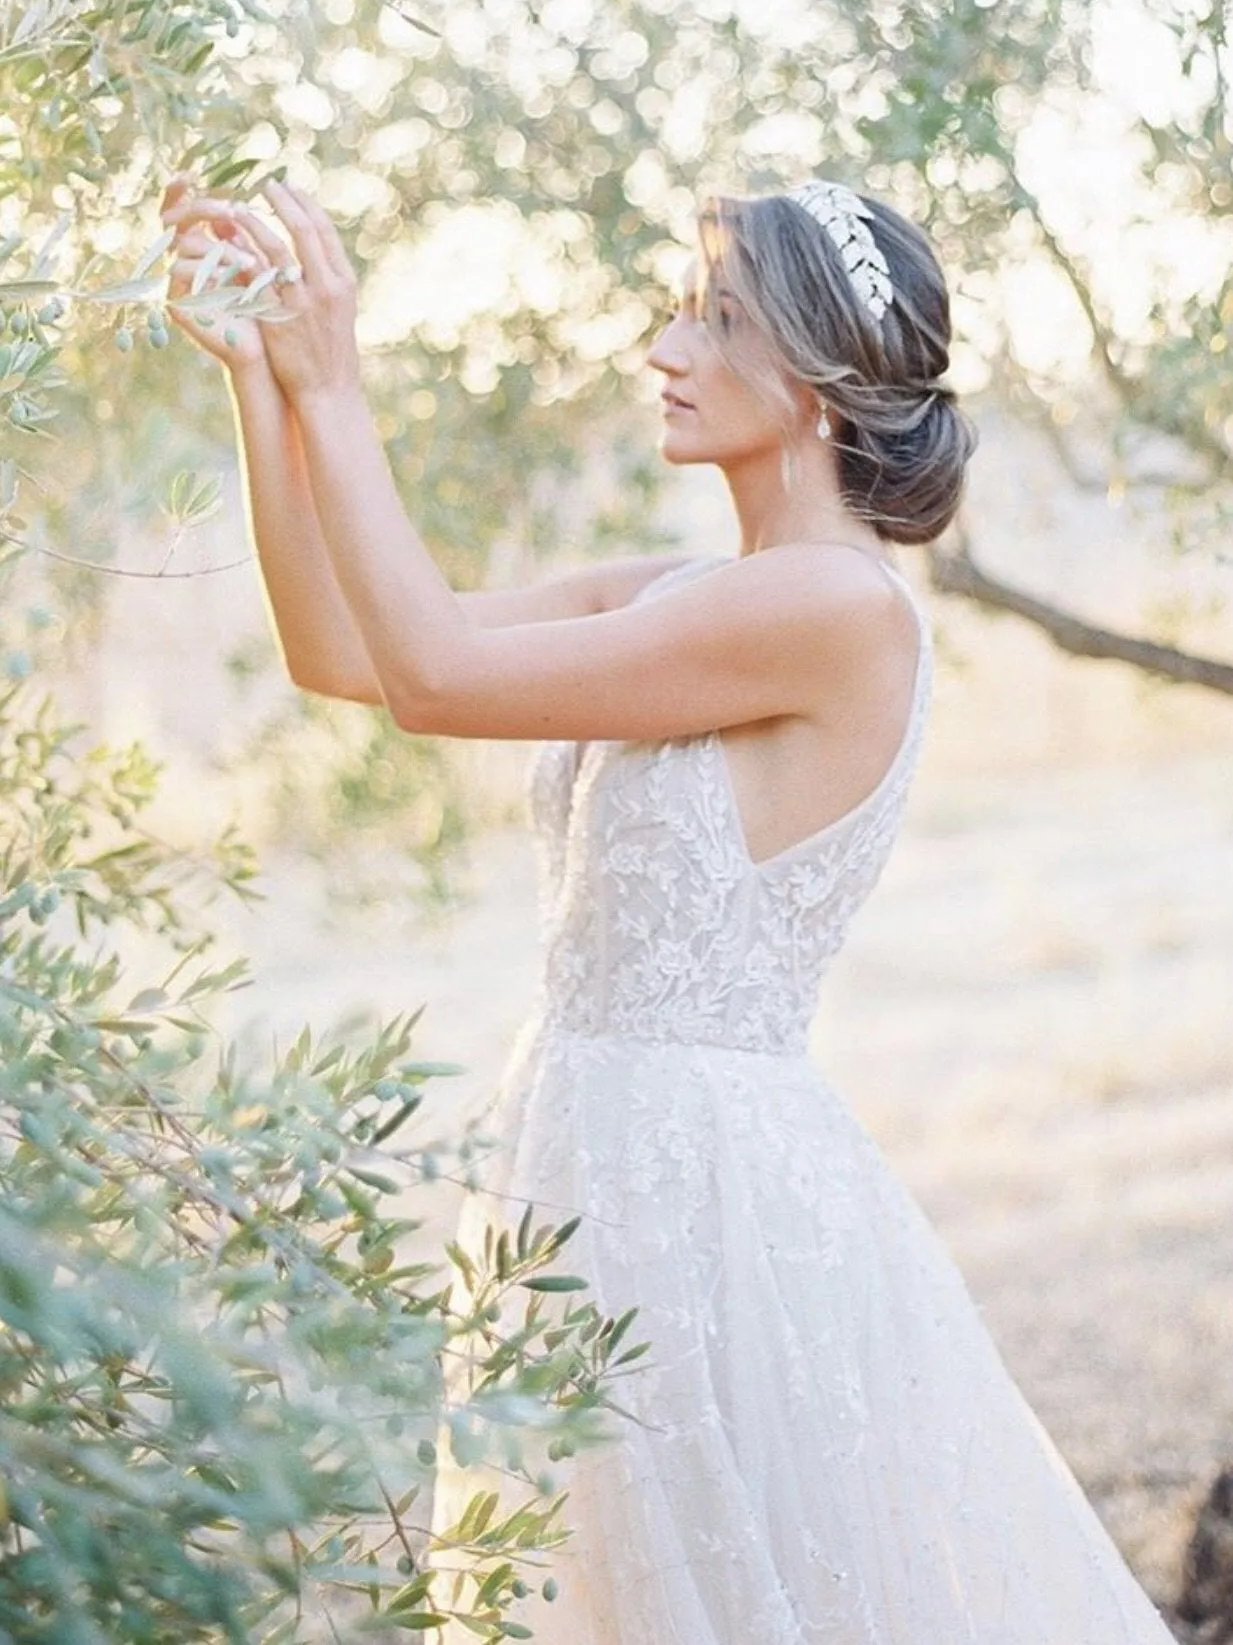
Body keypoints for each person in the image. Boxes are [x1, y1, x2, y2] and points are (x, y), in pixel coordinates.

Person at [163, 172, 1178, 1643]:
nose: (665, 345)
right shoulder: (689, 590)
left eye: (715, 317)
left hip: (703, 1199)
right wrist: (269, 381)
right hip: (577, 1156)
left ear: (821, 380)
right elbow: (348, 654)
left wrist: (347, 378)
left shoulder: (834, 609)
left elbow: (440, 677)